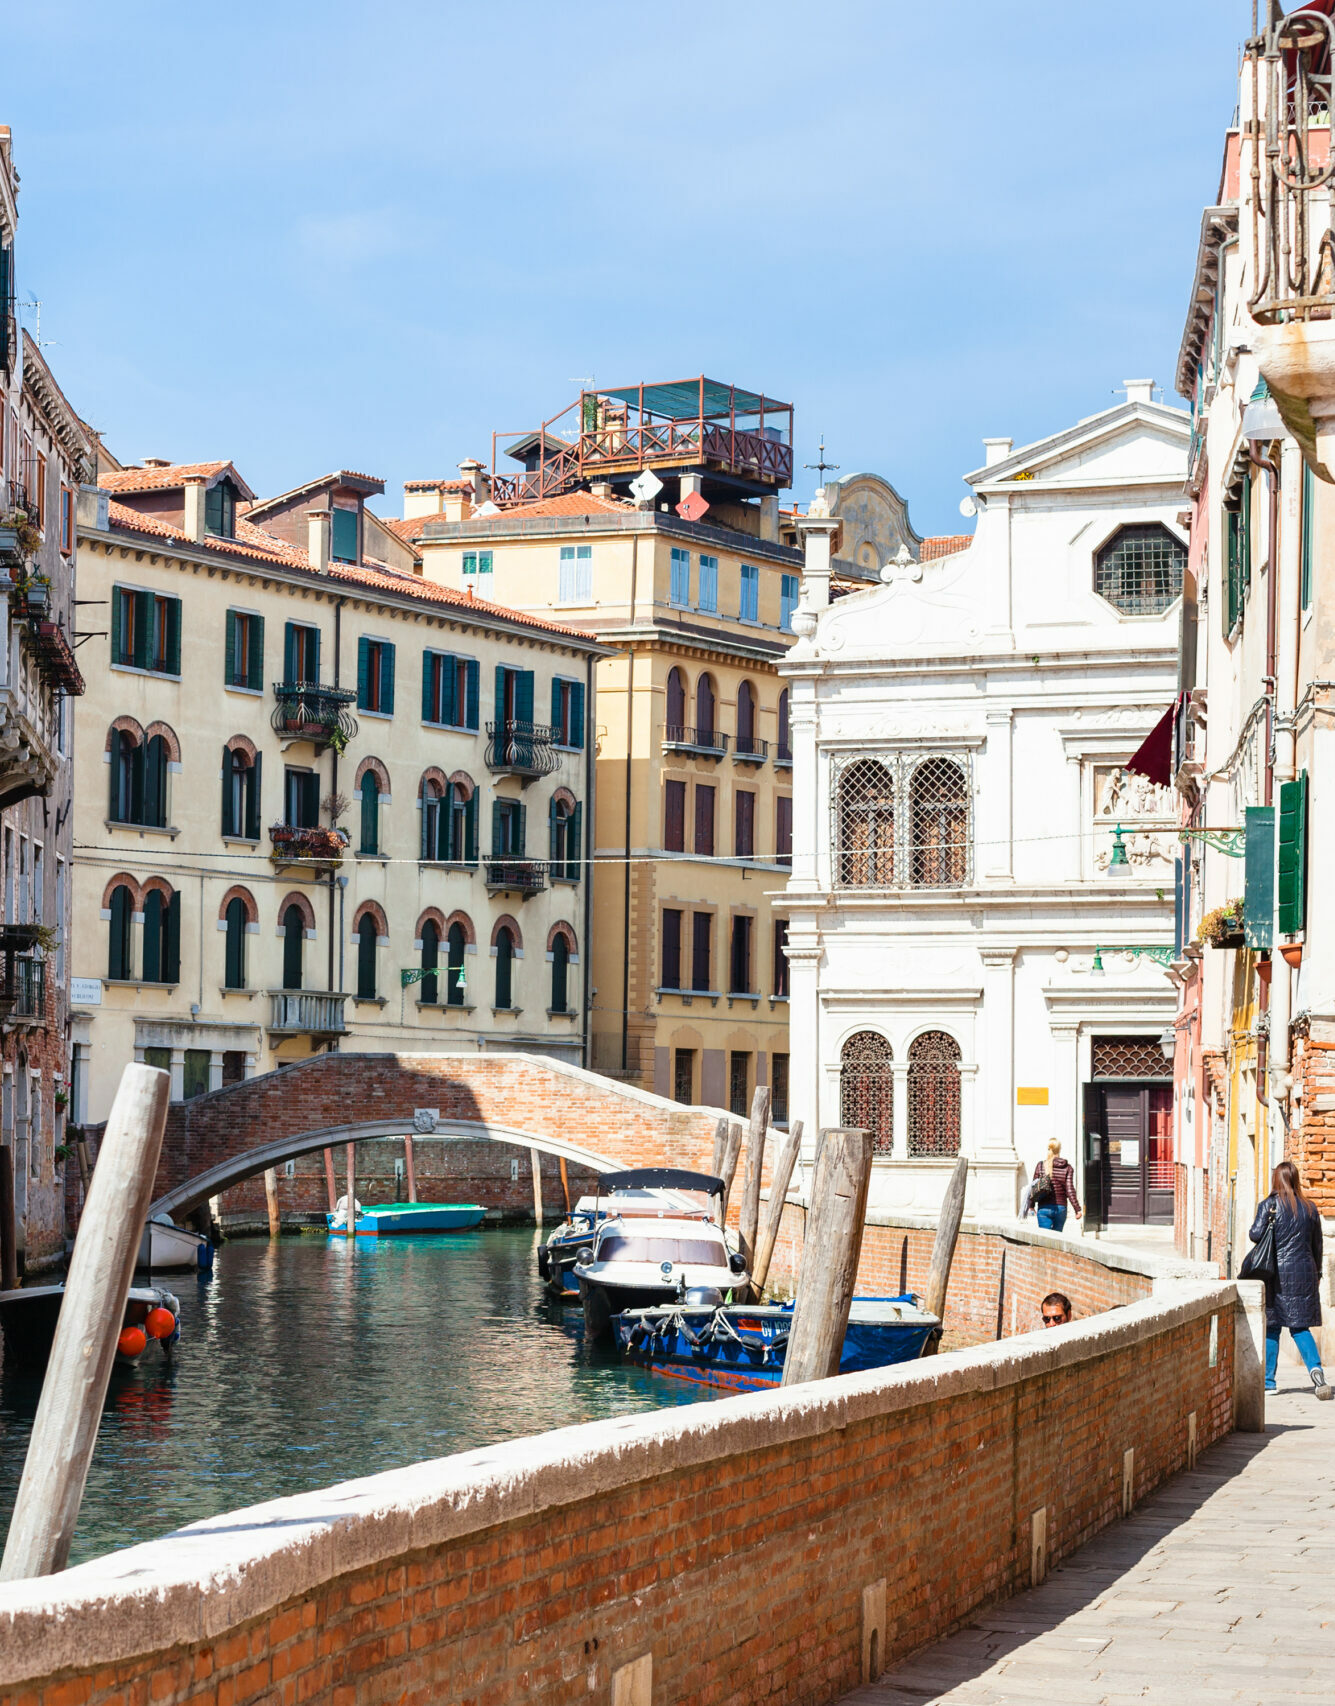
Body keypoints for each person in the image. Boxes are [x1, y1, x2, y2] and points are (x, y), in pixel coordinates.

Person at [1249, 1161, 1332, 1399]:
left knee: (1272, 1327)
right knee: (1299, 1326)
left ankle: (1269, 1383)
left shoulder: (1269, 1205)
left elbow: (1255, 1234)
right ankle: (1316, 1371)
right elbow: (1317, 1245)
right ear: (1295, 1180)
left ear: (1276, 1179)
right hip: (1305, 1272)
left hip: (1276, 1274)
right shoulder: (1310, 1208)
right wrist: (1317, 1274)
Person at [1030, 1138, 1082, 1233]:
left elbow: (1034, 1187)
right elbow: (1070, 1189)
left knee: (1045, 1238)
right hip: (1061, 1208)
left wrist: (1031, 1206)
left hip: (1044, 1208)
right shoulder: (1067, 1167)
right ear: (1059, 1149)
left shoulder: (1041, 1165)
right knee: (1057, 1238)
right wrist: (1077, 1209)